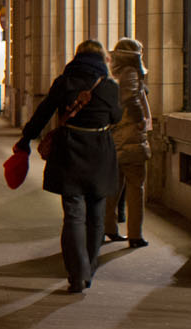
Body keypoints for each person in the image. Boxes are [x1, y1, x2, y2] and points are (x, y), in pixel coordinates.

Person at [14, 40, 121, 293]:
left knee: (73, 214)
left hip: (70, 150)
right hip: (99, 151)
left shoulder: (64, 82)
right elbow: (116, 117)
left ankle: (77, 273)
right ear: (102, 59)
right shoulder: (109, 87)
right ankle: (90, 268)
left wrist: (26, 138)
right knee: (96, 213)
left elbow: (43, 112)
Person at [103, 37, 152, 248]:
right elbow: (130, 98)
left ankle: (109, 228)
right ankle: (135, 234)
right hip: (130, 135)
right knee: (136, 186)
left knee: (114, 187)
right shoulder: (130, 73)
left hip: (117, 135)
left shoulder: (114, 73)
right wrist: (140, 120)